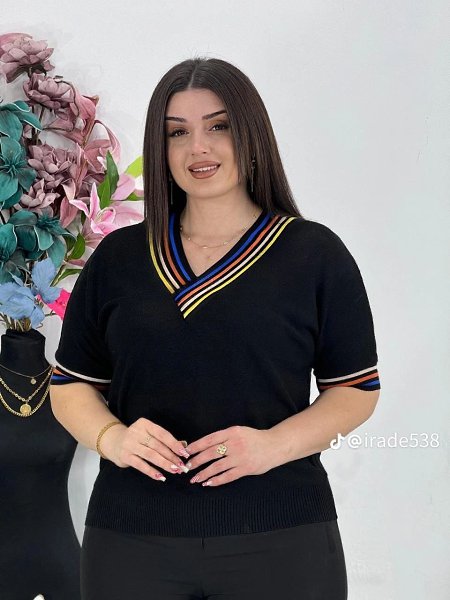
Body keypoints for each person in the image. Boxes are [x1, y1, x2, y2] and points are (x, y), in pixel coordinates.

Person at [50, 57, 381, 600]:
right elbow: (70, 386)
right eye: (177, 133)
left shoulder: (315, 255)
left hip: (282, 538)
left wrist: (271, 446)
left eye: (218, 126)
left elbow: (356, 390)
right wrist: (114, 438)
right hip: (130, 542)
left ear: (251, 135)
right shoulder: (118, 258)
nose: (198, 148)